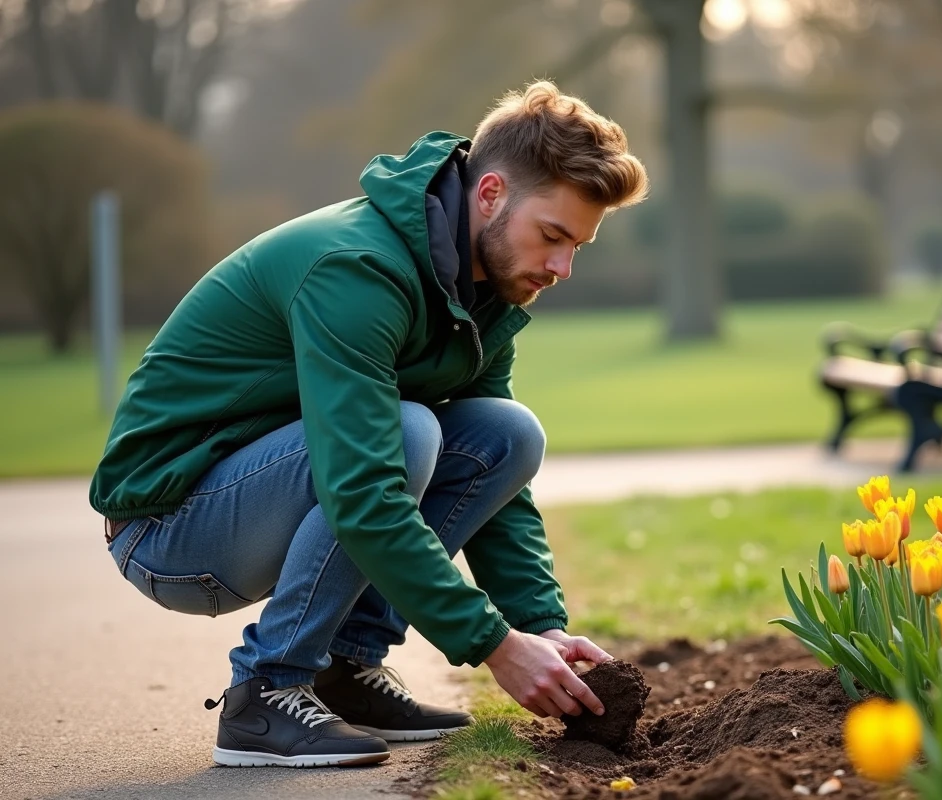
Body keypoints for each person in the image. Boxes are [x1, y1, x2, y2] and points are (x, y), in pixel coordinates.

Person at [90, 81, 649, 768]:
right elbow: (361, 490)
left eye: (578, 248)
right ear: (491, 194)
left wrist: (544, 630)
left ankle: (344, 670)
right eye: (553, 237)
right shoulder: (356, 269)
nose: (561, 268)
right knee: (408, 434)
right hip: (169, 526)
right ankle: (266, 692)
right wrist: (496, 646)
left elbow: (495, 487)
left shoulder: (482, 291)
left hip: (266, 492)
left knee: (509, 433)